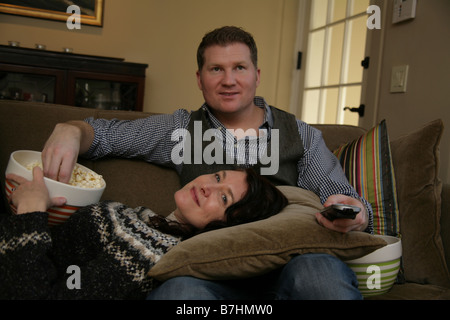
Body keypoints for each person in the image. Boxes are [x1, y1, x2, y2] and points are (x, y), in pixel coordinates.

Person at [40, 26, 373, 299]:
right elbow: (104, 135)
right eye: (216, 69)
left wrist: (353, 211)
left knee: (318, 274)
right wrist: (71, 129)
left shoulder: (300, 135)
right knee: (180, 293)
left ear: (256, 75)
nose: (228, 80)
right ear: (200, 79)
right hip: (208, 278)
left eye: (239, 68)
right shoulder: (181, 129)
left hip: (288, 271)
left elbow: (342, 196)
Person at [0, 166, 287, 299]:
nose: (207, 187)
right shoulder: (149, 219)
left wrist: (31, 211)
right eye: (217, 176)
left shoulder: (149, 250)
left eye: (224, 198)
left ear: (228, 228)